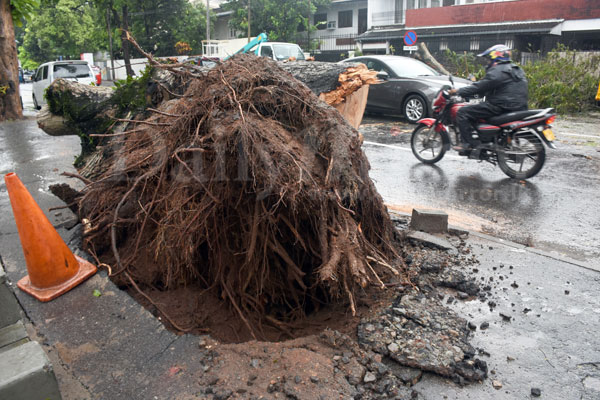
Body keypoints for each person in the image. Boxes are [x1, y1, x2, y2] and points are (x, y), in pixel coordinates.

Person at [449, 44, 528, 152]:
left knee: (463, 112)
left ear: (496, 57)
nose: (488, 62)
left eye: (489, 59)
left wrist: (459, 92)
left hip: (500, 106)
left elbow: (481, 87)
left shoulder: (498, 71)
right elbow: (491, 88)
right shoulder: (516, 69)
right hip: (519, 106)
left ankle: (467, 143)